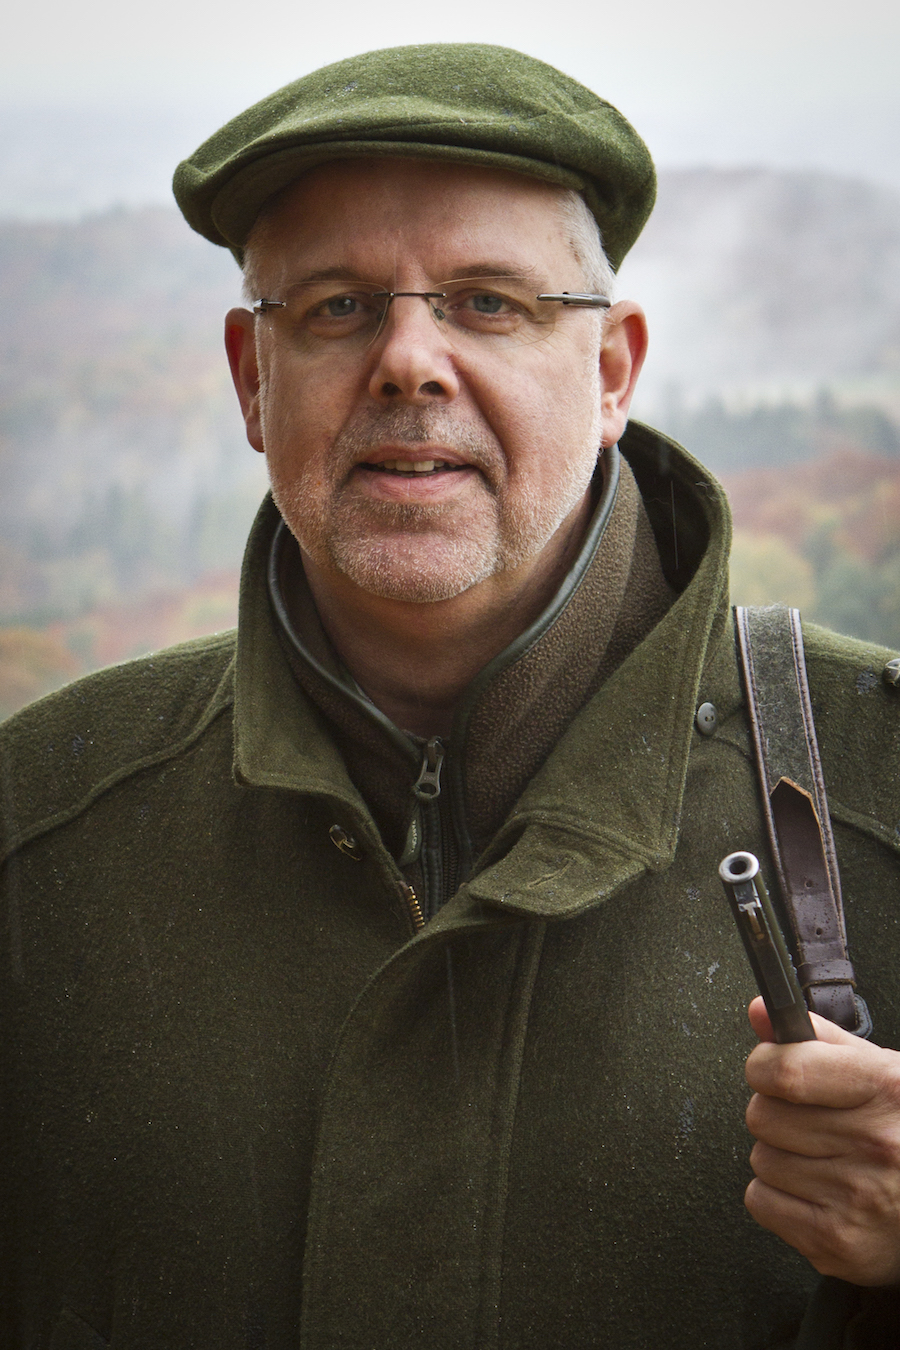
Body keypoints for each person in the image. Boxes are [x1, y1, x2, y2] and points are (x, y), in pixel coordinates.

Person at [2, 42, 900, 1350]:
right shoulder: (37, 841)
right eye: (336, 307)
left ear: (612, 371)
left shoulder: (881, 798)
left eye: (488, 302)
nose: (409, 362)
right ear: (255, 379)